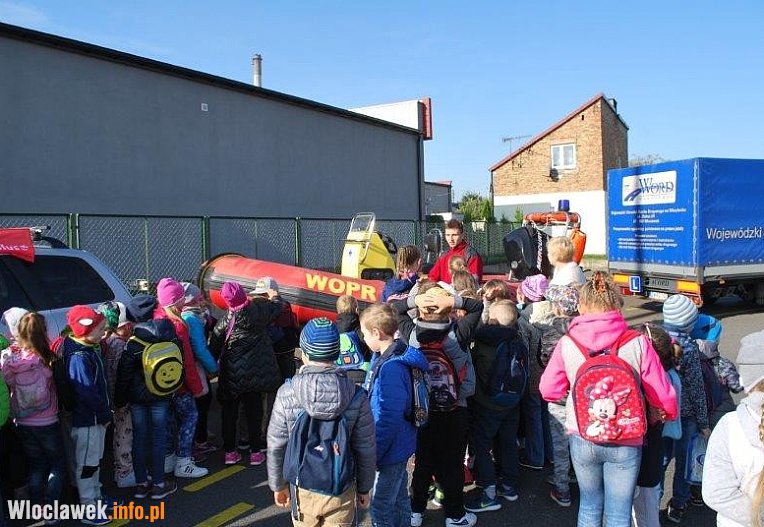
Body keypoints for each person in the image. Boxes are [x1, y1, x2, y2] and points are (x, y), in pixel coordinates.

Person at [540, 272, 677, 527]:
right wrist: (666, 414)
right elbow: (663, 393)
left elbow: (548, 389)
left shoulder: (568, 342)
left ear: (582, 306)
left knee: (589, 505)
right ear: (617, 305)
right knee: (619, 512)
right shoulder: (637, 342)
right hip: (627, 435)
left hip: (583, 431)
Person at [267, 318, 376, 526]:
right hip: (341, 488)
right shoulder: (357, 396)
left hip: (302, 488)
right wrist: (364, 487)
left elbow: (276, 445)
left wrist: (278, 485)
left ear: (304, 354)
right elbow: (366, 448)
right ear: (337, 353)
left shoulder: (287, 392)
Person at [392, 282, 481, 527]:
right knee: (452, 463)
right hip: (455, 409)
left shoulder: (412, 335)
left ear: (420, 308)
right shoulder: (458, 334)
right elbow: (477, 307)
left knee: (423, 462)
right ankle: (455, 515)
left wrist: (414, 301)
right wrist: (453, 301)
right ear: (447, 307)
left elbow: (396, 309)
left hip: (423, 410)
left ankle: (415, 511)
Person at [361, 303, 428, 527]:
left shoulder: (391, 367)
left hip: (390, 447)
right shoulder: (389, 355)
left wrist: (374, 452)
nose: (363, 338)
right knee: (399, 498)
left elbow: (388, 417)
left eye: (364, 334)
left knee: (380, 507)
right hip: (399, 443)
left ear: (376, 333)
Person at [209, 281, 282, 466]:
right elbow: (276, 308)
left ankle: (230, 453)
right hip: (255, 375)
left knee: (229, 414)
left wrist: (211, 368)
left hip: (231, 376)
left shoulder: (225, 321)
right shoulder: (259, 312)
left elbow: (215, 346)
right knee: (254, 412)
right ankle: (256, 452)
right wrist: (275, 296)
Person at [0, 312, 66, 515]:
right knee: (57, 465)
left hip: (22, 421)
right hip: (47, 421)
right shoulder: (46, 359)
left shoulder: (11, 360)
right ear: (43, 333)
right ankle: (51, 507)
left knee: (36, 465)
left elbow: (8, 382)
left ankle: (37, 505)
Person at [115, 297, 178, 500]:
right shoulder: (168, 334)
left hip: (137, 399)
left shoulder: (134, 342)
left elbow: (124, 375)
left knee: (140, 438)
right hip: (161, 394)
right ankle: (159, 484)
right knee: (159, 437)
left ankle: (141, 484)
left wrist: (119, 401)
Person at [466, 300, 525, 513]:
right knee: (508, 443)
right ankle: (509, 485)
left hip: (486, 404)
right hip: (512, 402)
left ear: (491, 320)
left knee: (482, 446)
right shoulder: (518, 340)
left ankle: (488, 492)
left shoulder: (482, 342)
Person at [703, 329, 764, 527]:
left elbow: (716, 492)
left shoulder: (730, 427)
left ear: (746, 379)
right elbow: (734, 386)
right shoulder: (723, 364)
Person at [60, 305, 112, 525]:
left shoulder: (86, 350)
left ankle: (97, 498)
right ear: (85, 330)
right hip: (89, 419)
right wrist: (104, 413)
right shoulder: (79, 357)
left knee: (94, 461)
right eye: (100, 329)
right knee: (87, 465)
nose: (104, 333)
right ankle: (89, 507)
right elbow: (87, 392)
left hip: (94, 418)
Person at [661, 294, 709, 523]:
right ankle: (678, 504)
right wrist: (704, 423)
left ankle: (652, 502)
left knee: (660, 460)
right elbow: (697, 389)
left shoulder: (654, 342)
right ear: (688, 323)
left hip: (661, 413)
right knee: (684, 461)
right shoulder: (689, 348)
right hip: (686, 414)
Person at [154, 277, 207, 478]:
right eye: (182, 298)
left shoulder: (158, 320)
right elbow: (187, 361)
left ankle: (168, 459)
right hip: (181, 385)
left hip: (163, 385)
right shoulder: (178, 326)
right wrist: (197, 387)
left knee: (169, 421)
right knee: (190, 417)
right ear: (176, 302)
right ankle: (184, 461)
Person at [536, 284, 580, 507]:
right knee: (580, 440)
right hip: (581, 395)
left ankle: (562, 488)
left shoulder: (552, 332)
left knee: (561, 443)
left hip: (560, 396)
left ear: (557, 307)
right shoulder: (583, 330)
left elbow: (544, 359)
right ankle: (579, 476)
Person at [632, 324, 677, 527]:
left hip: (636, 454)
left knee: (637, 509)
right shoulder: (669, 376)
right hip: (652, 453)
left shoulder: (648, 380)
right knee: (648, 508)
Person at [98, 301, 136, 489]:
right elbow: (122, 375)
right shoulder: (120, 345)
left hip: (107, 396)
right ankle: (124, 471)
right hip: (120, 398)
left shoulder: (104, 342)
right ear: (127, 326)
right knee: (123, 434)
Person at [179, 283, 219, 458]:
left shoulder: (185, 315)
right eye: (199, 298)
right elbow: (200, 348)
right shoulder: (192, 319)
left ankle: (198, 436)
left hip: (187, 365)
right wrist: (213, 367)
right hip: (196, 366)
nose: (202, 300)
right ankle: (200, 441)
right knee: (203, 400)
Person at [428, 219, 484, 285]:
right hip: (444, 291)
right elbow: (432, 278)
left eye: (454, 235)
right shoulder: (443, 256)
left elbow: (474, 282)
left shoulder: (470, 255)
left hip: (463, 291)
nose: (451, 239)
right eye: (447, 235)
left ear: (462, 235)